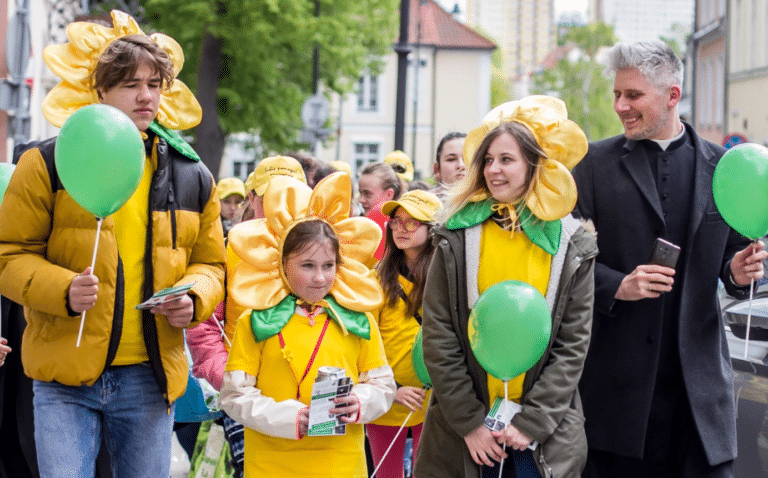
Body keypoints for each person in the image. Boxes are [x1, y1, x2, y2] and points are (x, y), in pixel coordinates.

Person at [0, 11, 226, 478]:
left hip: (149, 376)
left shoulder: (192, 175)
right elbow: (8, 254)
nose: (145, 95)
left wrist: (194, 297)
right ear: (100, 90)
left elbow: (211, 265)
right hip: (63, 374)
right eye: (129, 84)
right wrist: (60, 289)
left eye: (153, 83)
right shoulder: (45, 163)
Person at [572, 40, 767, 478]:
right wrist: (618, 285)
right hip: (616, 401)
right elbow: (566, 262)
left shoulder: (724, 169)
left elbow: (738, 259)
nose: (621, 106)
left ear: (672, 96)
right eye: (617, 95)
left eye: (633, 96)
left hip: (699, 401)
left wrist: (737, 273)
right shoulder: (591, 165)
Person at [414, 96, 597, 478]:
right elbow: (439, 333)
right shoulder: (457, 236)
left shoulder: (571, 242)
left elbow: (572, 345)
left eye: (507, 160)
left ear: (535, 165)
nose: (493, 170)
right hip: (463, 433)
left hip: (540, 438)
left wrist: (533, 422)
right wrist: (469, 423)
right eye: (488, 160)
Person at [220, 172, 396, 477]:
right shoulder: (257, 321)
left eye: (328, 266)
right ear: (282, 263)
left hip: (340, 464)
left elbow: (382, 385)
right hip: (272, 464)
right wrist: (291, 418)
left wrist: (358, 403)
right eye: (307, 266)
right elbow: (235, 397)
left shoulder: (357, 319)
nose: (320, 277)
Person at [368, 190, 442, 478]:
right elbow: (366, 344)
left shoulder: (445, 277)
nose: (401, 229)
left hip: (433, 399)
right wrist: (392, 389)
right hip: (387, 399)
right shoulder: (375, 280)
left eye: (412, 222)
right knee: (387, 473)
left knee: (429, 472)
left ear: (432, 229)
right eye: (396, 221)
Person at [358, 162, 404, 261]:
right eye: (360, 193)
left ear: (389, 194)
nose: (360, 199)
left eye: (367, 193)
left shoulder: (401, 231)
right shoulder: (358, 224)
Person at [431, 132, 467, 200]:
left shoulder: (490, 205)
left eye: (467, 158)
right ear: (437, 169)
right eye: (451, 159)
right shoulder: (420, 205)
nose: (460, 165)